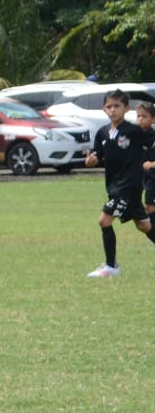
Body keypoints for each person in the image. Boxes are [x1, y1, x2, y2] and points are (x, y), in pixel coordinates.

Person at [84, 89, 155, 278]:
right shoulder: (103, 132)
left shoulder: (133, 131)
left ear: (126, 108)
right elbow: (97, 154)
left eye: (117, 106)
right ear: (104, 109)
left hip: (129, 186)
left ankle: (111, 267)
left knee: (104, 220)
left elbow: (151, 139)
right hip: (114, 186)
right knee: (144, 225)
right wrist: (92, 160)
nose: (112, 110)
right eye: (109, 106)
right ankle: (110, 266)